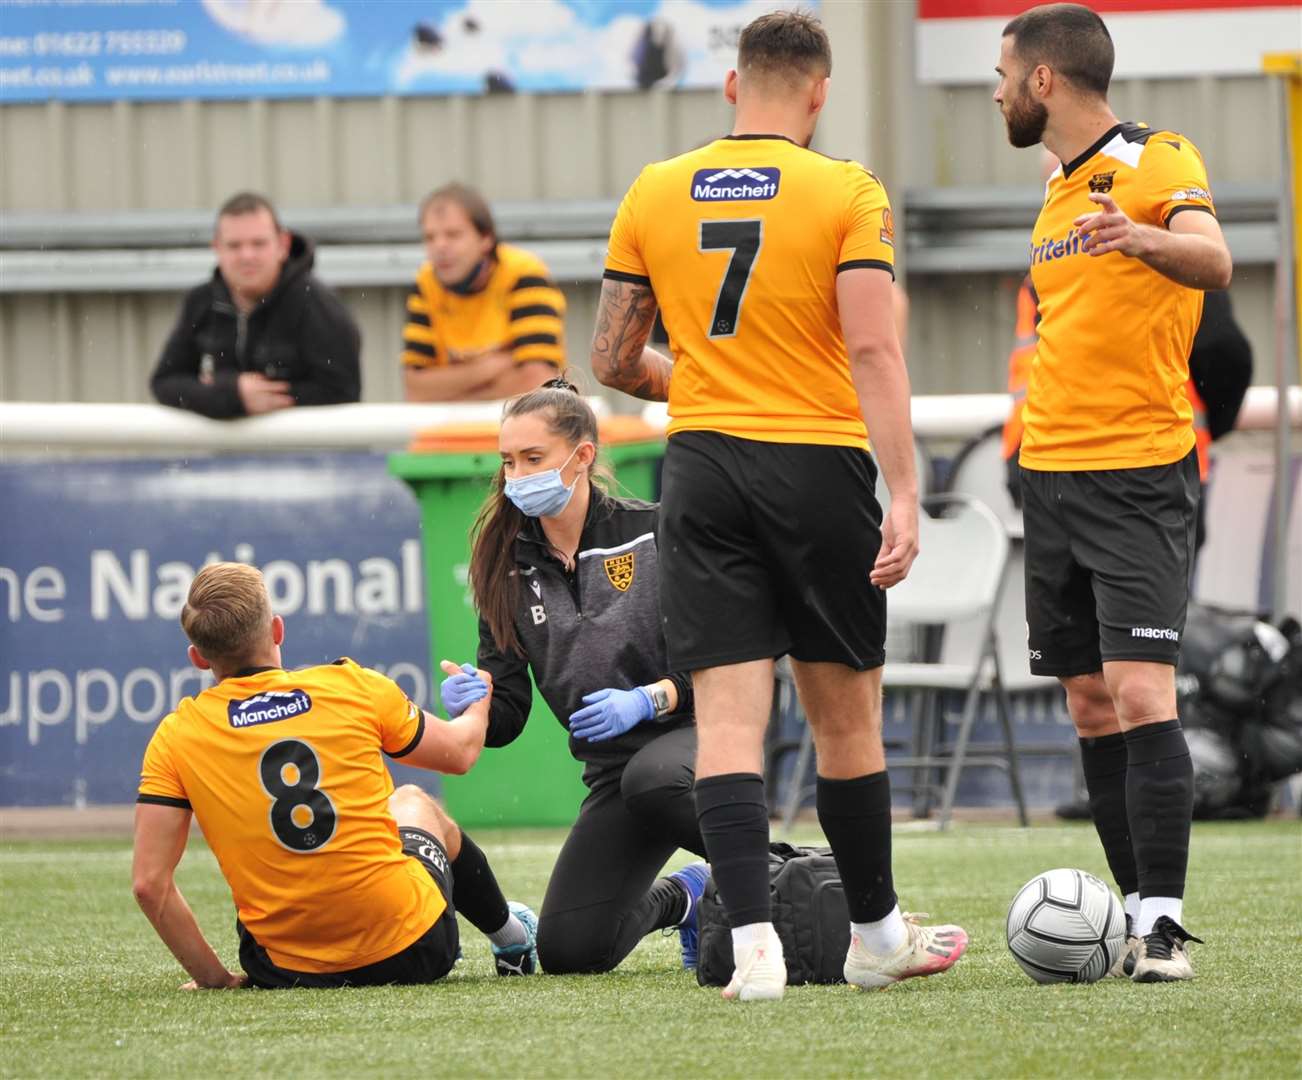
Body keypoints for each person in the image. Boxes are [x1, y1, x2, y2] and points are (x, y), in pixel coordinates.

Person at [590, 10, 968, 1001]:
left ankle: (753, 944)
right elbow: (876, 348)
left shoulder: (655, 188)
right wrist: (906, 486)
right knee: (845, 720)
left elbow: (611, 359)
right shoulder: (845, 188)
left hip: (704, 465)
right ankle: (876, 934)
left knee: (727, 720)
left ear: (732, 86)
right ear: (820, 92)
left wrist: (708, 381)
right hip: (819, 465)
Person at [994, 2, 1233, 982]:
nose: (997, 95)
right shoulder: (1053, 194)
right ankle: (1133, 913)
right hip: (1049, 478)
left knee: (1141, 693)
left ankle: (1167, 930)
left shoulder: (1155, 157)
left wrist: (1138, 236)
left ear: (1044, 79)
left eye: (1003, 76)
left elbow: (1214, 261)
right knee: (1090, 704)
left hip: (1136, 473)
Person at [132, 562, 538, 989]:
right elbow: (460, 754)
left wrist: (215, 980)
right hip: (414, 950)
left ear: (198, 658)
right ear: (276, 630)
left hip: (283, 972)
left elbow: (149, 885)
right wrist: (480, 702)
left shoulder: (177, 735)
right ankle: (511, 938)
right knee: (414, 802)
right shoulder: (350, 686)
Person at [438, 379, 710, 975]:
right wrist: (478, 702)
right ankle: (693, 893)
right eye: (508, 461)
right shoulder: (502, 565)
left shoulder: (656, 531)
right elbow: (508, 715)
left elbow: (724, 659)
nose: (516, 475)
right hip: (616, 774)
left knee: (655, 777)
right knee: (570, 951)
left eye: (533, 459)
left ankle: (801, 874)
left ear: (582, 456)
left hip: (702, 739)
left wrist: (650, 699)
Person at [151, 192, 361, 419]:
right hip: (227, 453)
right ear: (216, 249)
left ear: (283, 244)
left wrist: (268, 398)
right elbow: (165, 382)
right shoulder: (201, 302)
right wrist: (231, 394)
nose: (247, 255)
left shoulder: (316, 303)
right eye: (234, 245)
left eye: (258, 243)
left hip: (310, 452)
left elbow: (343, 391)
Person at [401, 183, 565, 401]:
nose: (440, 247)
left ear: (486, 239)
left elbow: (537, 382)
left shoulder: (522, 274)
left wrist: (450, 389)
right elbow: (416, 390)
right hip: (452, 430)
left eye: (453, 235)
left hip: (522, 425)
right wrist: (492, 367)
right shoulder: (426, 283)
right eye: (430, 237)